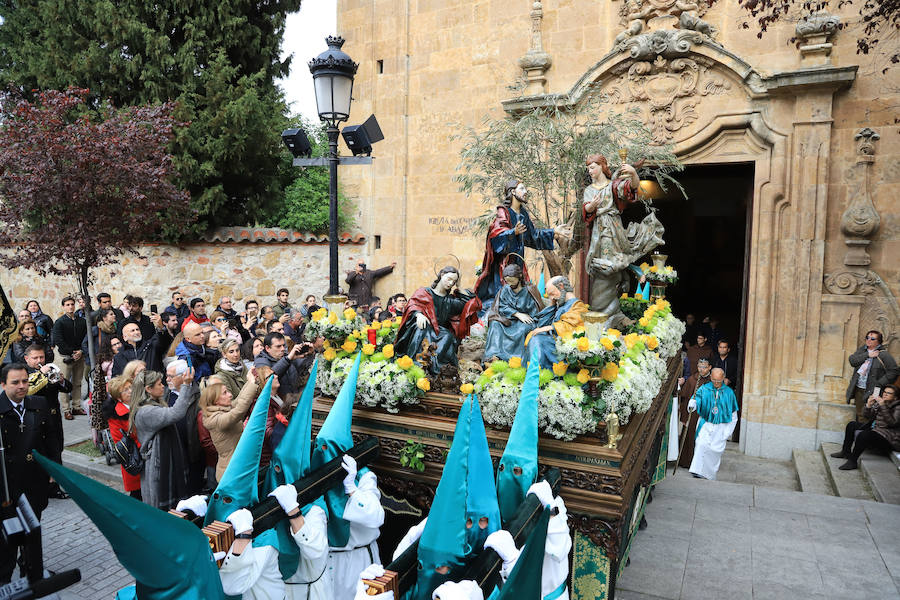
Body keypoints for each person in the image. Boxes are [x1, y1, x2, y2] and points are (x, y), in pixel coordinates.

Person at [310, 355, 385, 600]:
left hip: (357, 561)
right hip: (326, 563)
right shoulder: (313, 477)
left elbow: (376, 516)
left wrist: (351, 488)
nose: (322, 454)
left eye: (328, 449)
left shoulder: (364, 478)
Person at [0, 363, 62, 583]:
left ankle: (33, 571)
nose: (21, 386)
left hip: (35, 478)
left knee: (33, 526)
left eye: (25, 381)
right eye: (15, 382)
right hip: (7, 482)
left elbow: (51, 437)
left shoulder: (39, 403)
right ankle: (4, 579)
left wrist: (55, 467)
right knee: (8, 532)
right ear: (3, 384)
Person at [581, 154, 664, 317]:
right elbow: (586, 211)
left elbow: (630, 189)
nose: (590, 171)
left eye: (592, 167)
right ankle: (626, 276)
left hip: (613, 226)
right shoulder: (589, 190)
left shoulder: (613, 185)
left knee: (613, 259)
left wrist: (633, 173)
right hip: (600, 228)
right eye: (588, 168)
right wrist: (592, 206)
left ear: (601, 166)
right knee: (602, 263)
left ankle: (625, 275)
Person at [474, 180, 570, 311]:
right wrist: (513, 232)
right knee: (503, 298)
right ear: (513, 192)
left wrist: (554, 232)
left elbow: (533, 236)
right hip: (504, 265)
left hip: (519, 262)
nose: (526, 192)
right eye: (522, 189)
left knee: (522, 298)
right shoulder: (504, 212)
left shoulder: (523, 214)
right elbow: (495, 236)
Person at [394, 266, 481, 377]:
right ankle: (416, 363)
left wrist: (459, 285)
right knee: (422, 328)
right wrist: (418, 314)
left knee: (447, 336)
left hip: (439, 331)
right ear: (441, 275)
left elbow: (469, 303)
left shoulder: (449, 300)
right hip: (423, 327)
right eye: (449, 279)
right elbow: (412, 304)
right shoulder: (425, 292)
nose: (450, 283)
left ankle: (433, 367)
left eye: (453, 282)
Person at [129, 369, 196, 510]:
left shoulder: (152, 404)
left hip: (164, 463)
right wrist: (186, 385)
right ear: (148, 389)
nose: (163, 386)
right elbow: (176, 413)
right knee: (163, 509)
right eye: (159, 384)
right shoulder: (146, 412)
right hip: (159, 468)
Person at [200, 372, 260, 480]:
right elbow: (239, 410)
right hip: (231, 473)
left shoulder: (224, 409)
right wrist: (251, 384)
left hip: (238, 467)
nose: (230, 395)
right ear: (216, 400)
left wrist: (251, 380)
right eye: (225, 393)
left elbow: (240, 399)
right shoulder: (215, 419)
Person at [523, 276, 588, 369]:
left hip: (565, 345)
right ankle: (534, 371)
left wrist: (551, 327)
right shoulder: (561, 305)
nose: (551, 298)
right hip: (554, 340)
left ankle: (536, 372)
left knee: (537, 340)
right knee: (535, 337)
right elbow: (541, 324)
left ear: (561, 286)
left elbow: (573, 326)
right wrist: (552, 304)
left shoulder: (578, 306)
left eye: (552, 294)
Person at [483, 264, 543, 363]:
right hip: (508, 320)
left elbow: (536, 311)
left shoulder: (530, 290)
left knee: (523, 329)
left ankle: (516, 359)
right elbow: (501, 306)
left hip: (525, 321)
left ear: (519, 277)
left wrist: (526, 316)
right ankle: (493, 355)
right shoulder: (505, 289)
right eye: (507, 281)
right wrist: (516, 314)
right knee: (495, 324)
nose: (509, 283)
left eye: (512, 280)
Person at [831, 385, 900, 470]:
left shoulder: (898, 407)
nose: (885, 394)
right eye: (884, 392)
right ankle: (845, 452)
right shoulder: (881, 403)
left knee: (865, 435)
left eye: (888, 393)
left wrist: (882, 405)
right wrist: (868, 405)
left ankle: (852, 461)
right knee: (852, 425)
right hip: (877, 430)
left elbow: (892, 423)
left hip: (889, 437)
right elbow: (867, 416)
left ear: (895, 397)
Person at [687, 368, 739, 480]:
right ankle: (697, 471)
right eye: (714, 380)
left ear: (723, 379)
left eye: (719, 381)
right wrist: (693, 404)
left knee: (714, 450)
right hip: (706, 424)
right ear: (710, 377)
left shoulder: (729, 393)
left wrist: (727, 432)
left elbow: (734, 415)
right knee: (701, 444)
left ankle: (709, 474)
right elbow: (696, 400)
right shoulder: (704, 389)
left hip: (721, 427)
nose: (716, 383)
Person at [846, 330, 899, 421]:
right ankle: (860, 433)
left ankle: (864, 433)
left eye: (872, 339)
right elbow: (852, 360)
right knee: (860, 413)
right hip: (859, 388)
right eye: (867, 337)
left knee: (868, 415)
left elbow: (894, 371)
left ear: (878, 341)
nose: (868, 340)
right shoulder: (863, 350)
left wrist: (879, 383)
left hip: (874, 389)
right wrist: (868, 355)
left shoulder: (884, 354)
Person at [103, 376, 142, 499]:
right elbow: (121, 442)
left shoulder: (140, 404)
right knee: (137, 495)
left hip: (145, 455)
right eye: (125, 390)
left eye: (131, 387)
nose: (130, 391)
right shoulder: (116, 416)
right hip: (135, 459)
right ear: (118, 397)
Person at [51, 296, 86, 419]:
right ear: (63, 306)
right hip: (64, 356)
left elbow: (85, 339)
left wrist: (81, 351)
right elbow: (59, 341)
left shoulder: (82, 321)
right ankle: (66, 409)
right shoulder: (59, 322)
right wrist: (72, 352)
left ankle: (76, 406)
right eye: (67, 304)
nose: (70, 306)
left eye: (72, 304)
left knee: (77, 382)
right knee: (63, 383)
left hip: (79, 356)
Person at [254, 332, 315, 399]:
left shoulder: (285, 356)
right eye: (278, 346)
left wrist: (309, 354)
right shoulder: (260, 361)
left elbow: (303, 368)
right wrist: (288, 359)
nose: (283, 349)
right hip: (279, 404)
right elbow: (270, 378)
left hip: (294, 398)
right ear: (267, 348)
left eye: (283, 345)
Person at [676, 358, 712, 470]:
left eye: (704, 367)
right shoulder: (692, 379)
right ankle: (687, 461)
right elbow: (686, 399)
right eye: (700, 367)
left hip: (705, 415)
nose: (701, 370)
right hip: (692, 414)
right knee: (689, 435)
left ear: (709, 367)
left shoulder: (712, 381)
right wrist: (684, 416)